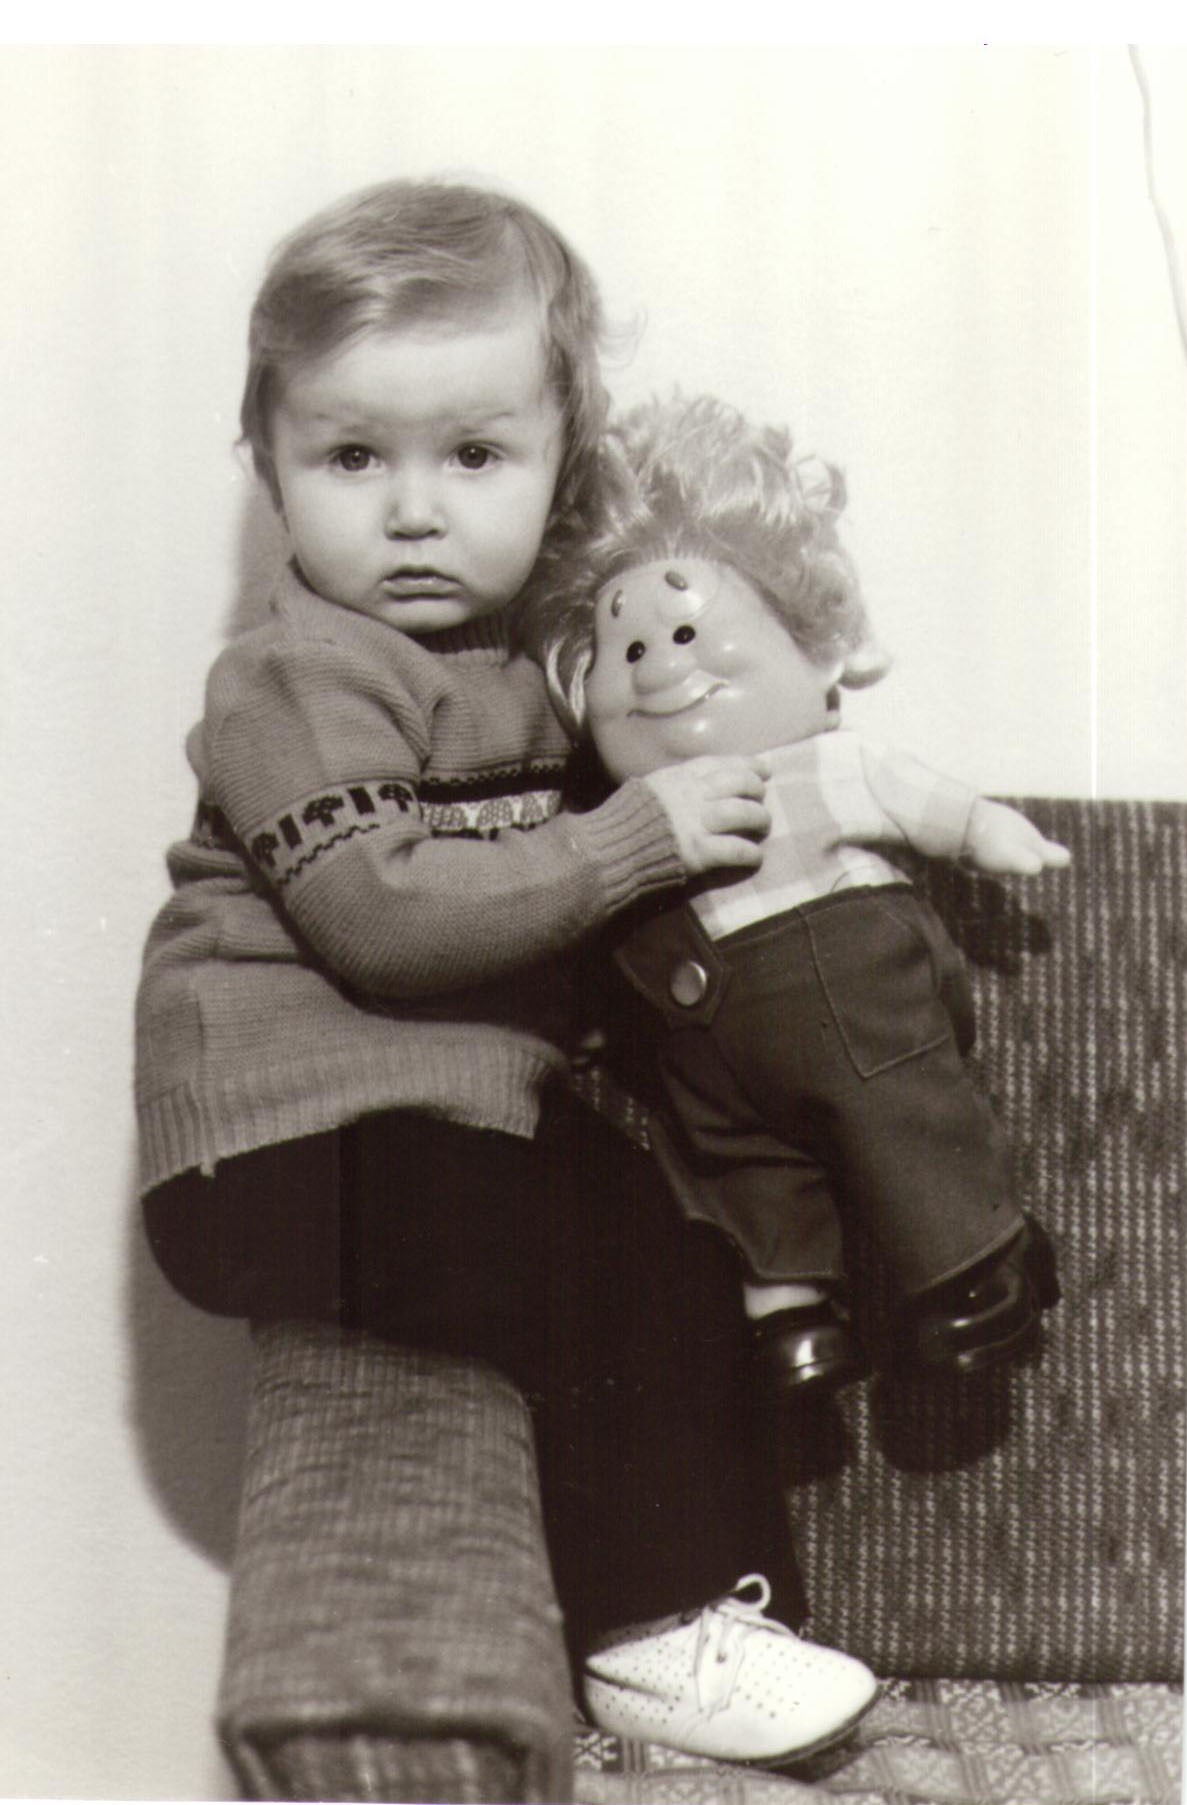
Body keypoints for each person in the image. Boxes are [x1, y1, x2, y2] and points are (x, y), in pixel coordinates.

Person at [135, 180, 878, 1765]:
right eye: (352, 458)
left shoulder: (526, 685)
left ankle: (726, 1614)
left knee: (675, 1250)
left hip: (410, 1132)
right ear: (266, 465)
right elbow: (386, 918)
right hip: (269, 1156)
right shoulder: (294, 679)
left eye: (473, 456)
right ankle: (646, 1628)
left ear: (562, 467)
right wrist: (633, 842)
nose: (413, 511)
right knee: (604, 1269)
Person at [527, 391, 1068, 1398]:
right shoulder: (626, 824)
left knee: (899, 1120)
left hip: (854, 1004)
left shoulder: (818, 765)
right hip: (707, 1061)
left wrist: (985, 830)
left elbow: (911, 797)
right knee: (735, 1165)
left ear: (814, 650)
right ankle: (790, 1313)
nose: (660, 667)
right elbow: (598, 924)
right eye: (629, 650)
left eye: (686, 630)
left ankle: (975, 1264)